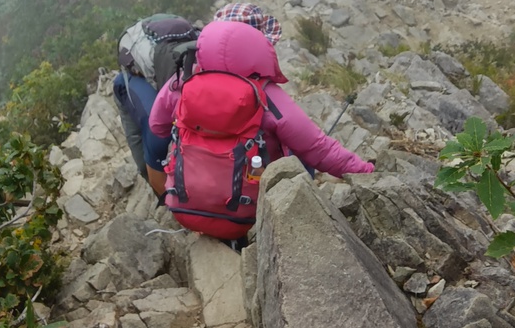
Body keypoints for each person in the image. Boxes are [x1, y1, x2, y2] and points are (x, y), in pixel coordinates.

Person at [149, 18, 375, 180]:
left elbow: (157, 127)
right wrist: (365, 172)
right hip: (250, 205)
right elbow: (319, 149)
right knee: (297, 152)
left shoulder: (182, 84)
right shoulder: (266, 95)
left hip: (190, 197)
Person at [112, 72, 170, 196]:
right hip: (124, 88)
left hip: (152, 90)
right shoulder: (158, 130)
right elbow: (155, 178)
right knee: (144, 165)